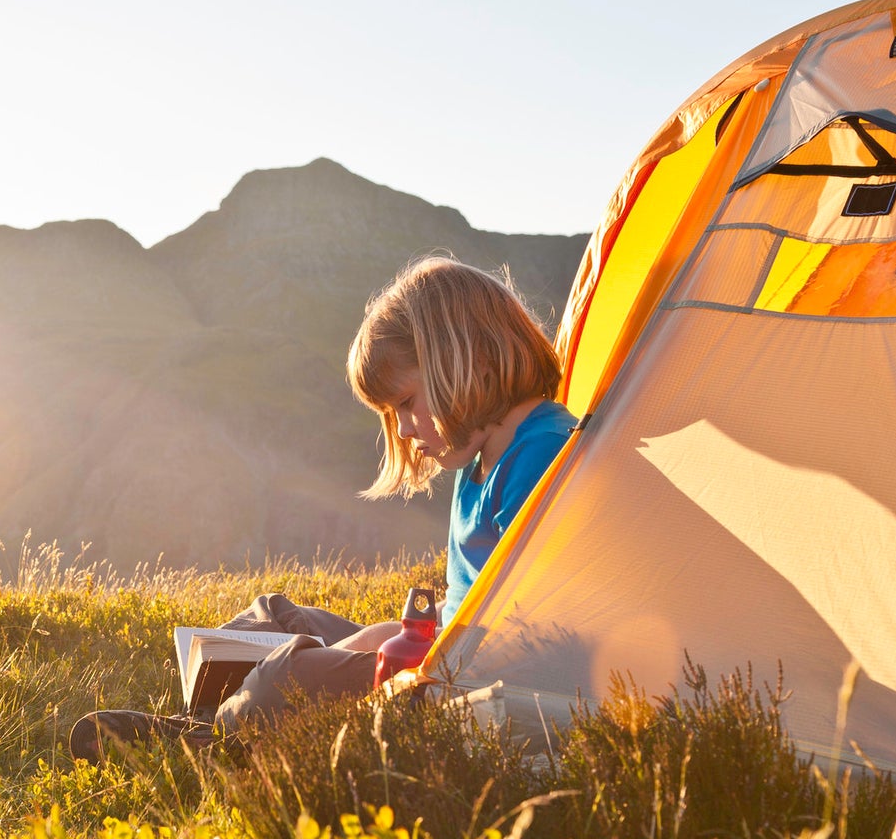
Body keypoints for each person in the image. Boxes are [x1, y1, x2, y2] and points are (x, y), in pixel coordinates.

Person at [70, 256, 577, 762]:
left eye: (405, 401)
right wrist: (366, 645)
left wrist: (366, 656)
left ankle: (206, 736)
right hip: (442, 647)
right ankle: (219, 722)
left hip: (465, 676)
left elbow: (533, 635)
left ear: (463, 361)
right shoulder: (480, 461)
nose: (402, 431)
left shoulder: (540, 455)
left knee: (287, 675)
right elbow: (457, 609)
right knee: (271, 615)